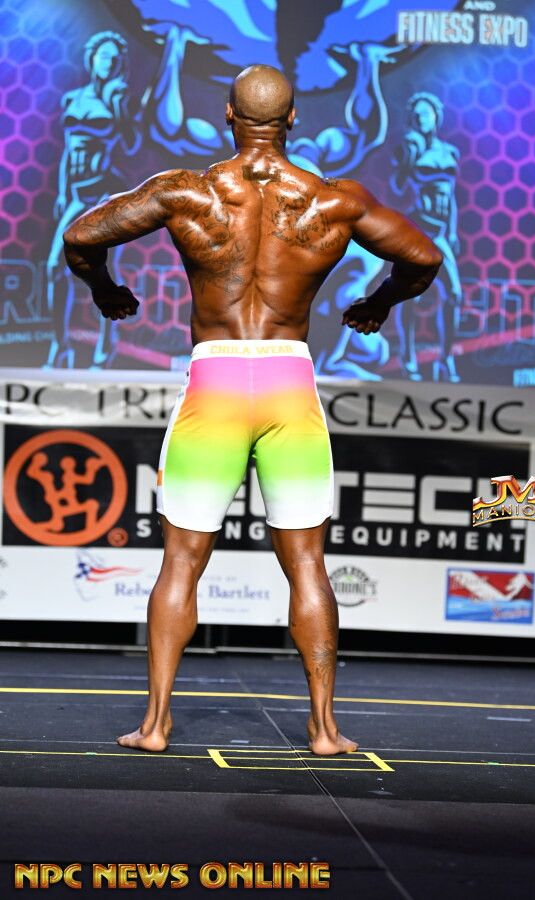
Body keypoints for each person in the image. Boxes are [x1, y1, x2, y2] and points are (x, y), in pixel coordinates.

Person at [63, 64, 442, 756]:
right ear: (293, 119)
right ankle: (324, 730)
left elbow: (81, 236)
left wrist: (104, 292)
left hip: (215, 381)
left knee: (181, 561)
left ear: (228, 116)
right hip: (288, 383)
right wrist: (379, 303)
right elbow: (424, 257)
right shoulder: (333, 201)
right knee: (308, 564)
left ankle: (155, 726)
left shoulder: (186, 191)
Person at [46, 31, 139, 369]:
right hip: (76, 192)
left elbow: (131, 143)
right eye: (104, 55)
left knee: (106, 268)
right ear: (92, 58)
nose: (108, 62)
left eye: (115, 58)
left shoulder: (119, 95)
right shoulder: (73, 98)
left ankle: (105, 347)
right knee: (54, 268)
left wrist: (118, 108)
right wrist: (62, 191)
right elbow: (68, 151)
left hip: (105, 190)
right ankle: (60, 346)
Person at [390, 92, 461, 382]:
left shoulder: (449, 151)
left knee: (453, 293)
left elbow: (451, 195)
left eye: (426, 113)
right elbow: (397, 187)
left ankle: (446, 360)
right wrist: (409, 159)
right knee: (411, 295)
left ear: (436, 116)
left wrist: (453, 231)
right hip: (418, 228)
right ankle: (408, 359)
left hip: (441, 232)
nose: (422, 118)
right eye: (416, 115)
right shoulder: (409, 147)